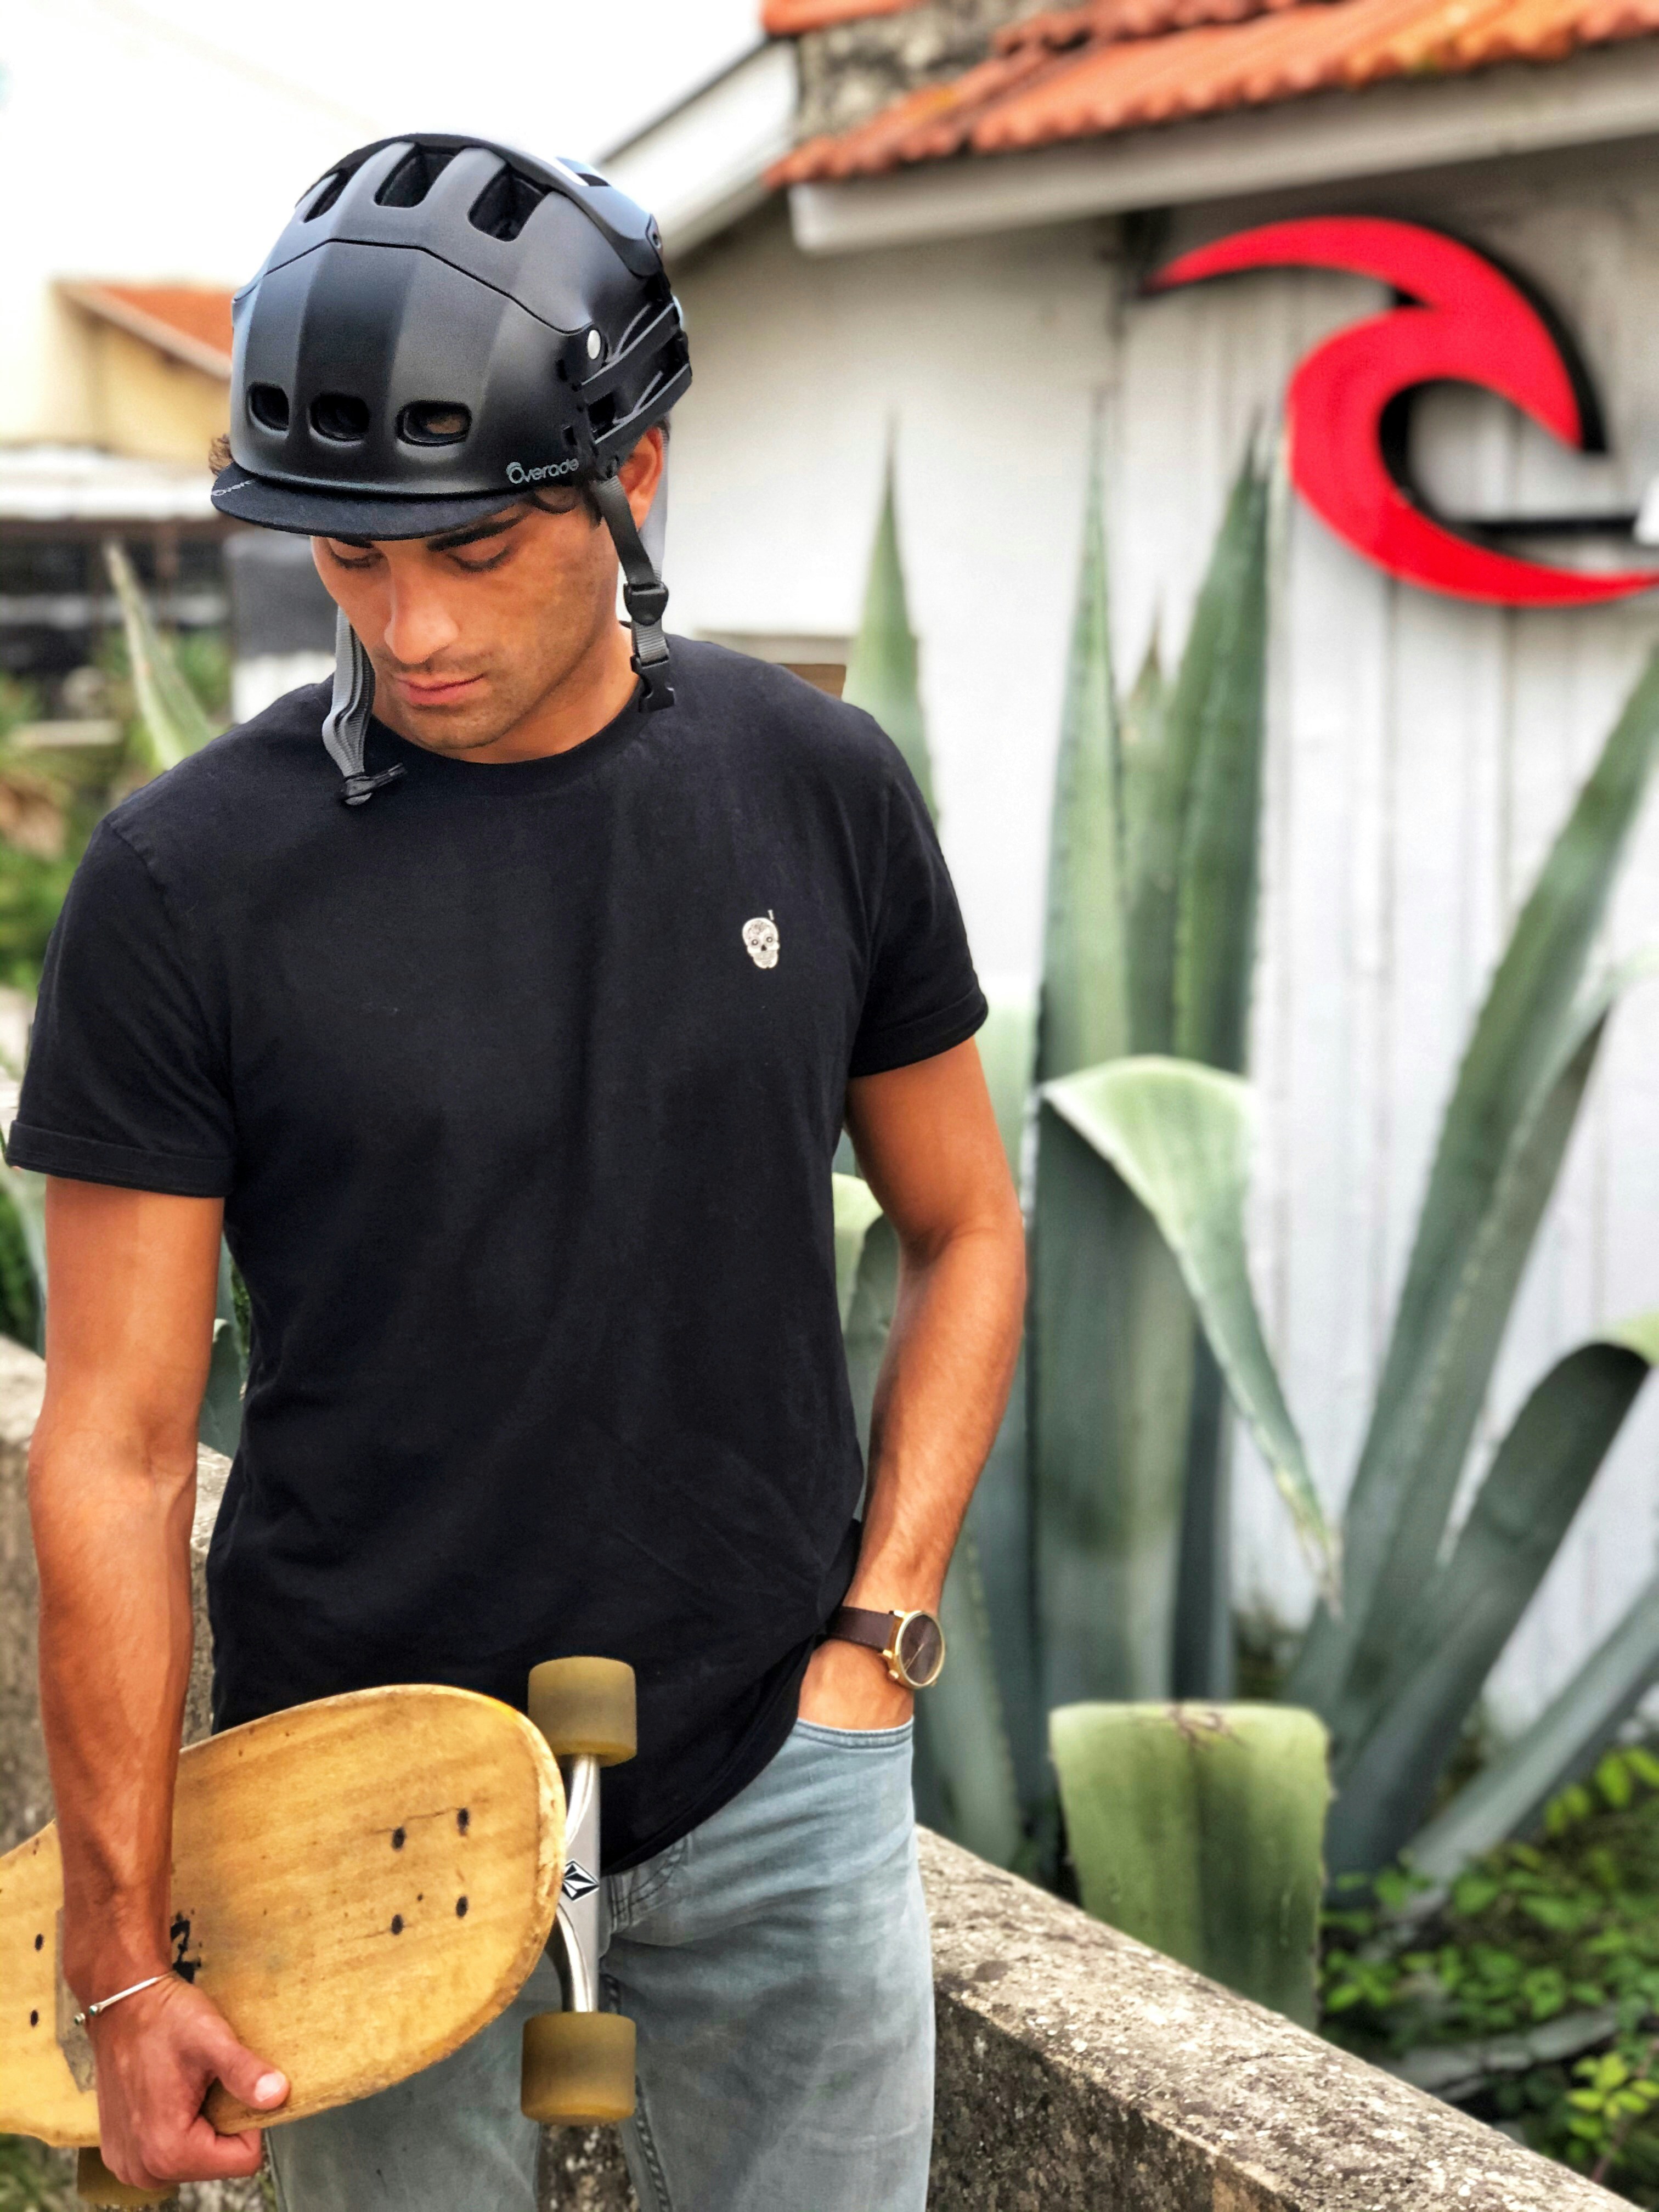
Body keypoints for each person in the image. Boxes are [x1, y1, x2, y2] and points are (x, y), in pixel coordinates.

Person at [18, 134, 1025, 2212]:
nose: (409, 628)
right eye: (352, 560)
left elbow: (967, 1228)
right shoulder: (184, 884)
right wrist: (120, 1965)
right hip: (350, 1792)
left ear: (631, 479)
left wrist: (878, 1650)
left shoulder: (819, 791)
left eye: (471, 551)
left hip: (775, 1773)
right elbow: (111, 1447)